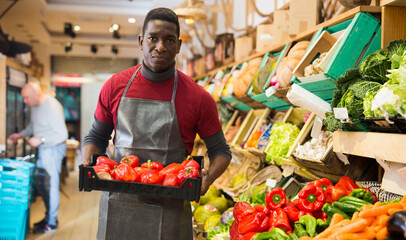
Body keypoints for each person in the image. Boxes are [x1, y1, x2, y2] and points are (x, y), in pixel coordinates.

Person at [81, 7, 231, 240]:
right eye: (153, 38)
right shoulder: (114, 86)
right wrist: (89, 165)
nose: (160, 47)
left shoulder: (198, 97)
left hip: (170, 210)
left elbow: (221, 150)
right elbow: (95, 138)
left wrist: (207, 179)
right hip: (118, 206)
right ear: (141, 41)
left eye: (169, 40)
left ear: (178, 46)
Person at [8, 82, 68, 233]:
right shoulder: (35, 106)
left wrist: (41, 140)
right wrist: (21, 135)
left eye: (26, 98)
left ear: (36, 93)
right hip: (44, 149)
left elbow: (62, 135)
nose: (25, 101)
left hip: (53, 149)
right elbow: (33, 126)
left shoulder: (53, 106)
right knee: (41, 184)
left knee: (51, 185)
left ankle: (52, 223)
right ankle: (49, 216)